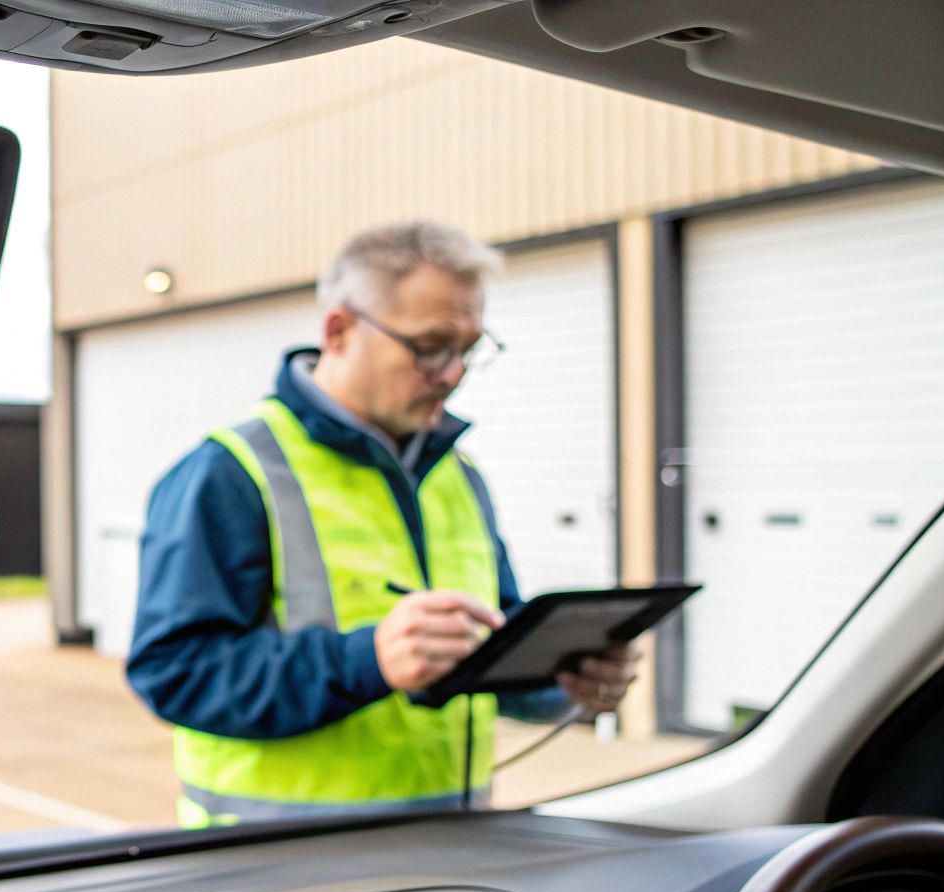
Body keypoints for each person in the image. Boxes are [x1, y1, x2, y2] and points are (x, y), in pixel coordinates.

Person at [126, 220, 639, 826]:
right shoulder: (232, 473)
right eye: (429, 347)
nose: (452, 373)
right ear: (339, 331)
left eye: (469, 350)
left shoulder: (459, 476)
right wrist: (367, 659)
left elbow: (485, 652)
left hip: (451, 846)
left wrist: (559, 681)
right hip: (279, 872)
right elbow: (175, 673)